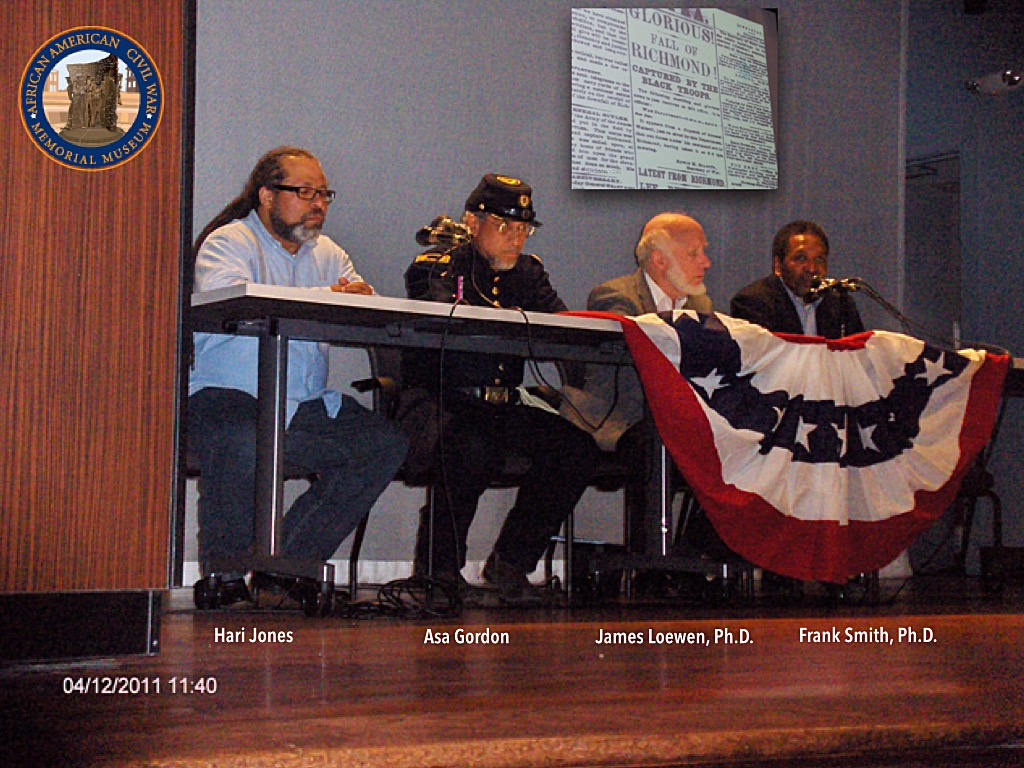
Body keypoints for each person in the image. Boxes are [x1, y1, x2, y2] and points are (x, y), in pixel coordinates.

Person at [188, 146, 408, 600]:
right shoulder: (229, 242)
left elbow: (357, 300)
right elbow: (231, 296)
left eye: (324, 193)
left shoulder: (328, 253)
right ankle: (224, 576)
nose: (319, 204)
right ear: (267, 196)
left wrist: (358, 298)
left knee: (384, 444)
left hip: (303, 405)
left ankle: (285, 565)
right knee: (240, 437)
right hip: (227, 396)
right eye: (305, 191)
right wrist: (332, 293)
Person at [401, 173, 600, 602]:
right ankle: (438, 574)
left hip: (501, 405)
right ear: (473, 223)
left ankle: (511, 563)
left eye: (524, 229)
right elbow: (446, 320)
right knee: (470, 447)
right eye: (505, 227)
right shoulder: (434, 267)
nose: (517, 239)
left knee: (576, 450)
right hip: (445, 401)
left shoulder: (528, 273)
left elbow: (560, 324)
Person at [561, 212, 713, 453]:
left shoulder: (700, 304)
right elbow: (644, 364)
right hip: (622, 418)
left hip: (675, 420)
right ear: (660, 259)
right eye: (694, 253)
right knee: (662, 443)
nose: (706, 262)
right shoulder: (616, 297)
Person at [730, 220, 865, 339]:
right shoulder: (752, 303)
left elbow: (857, 359)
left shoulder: (840, 303)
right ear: (778, 265)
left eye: (819, 259)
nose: (812, 269)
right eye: (801, 258)